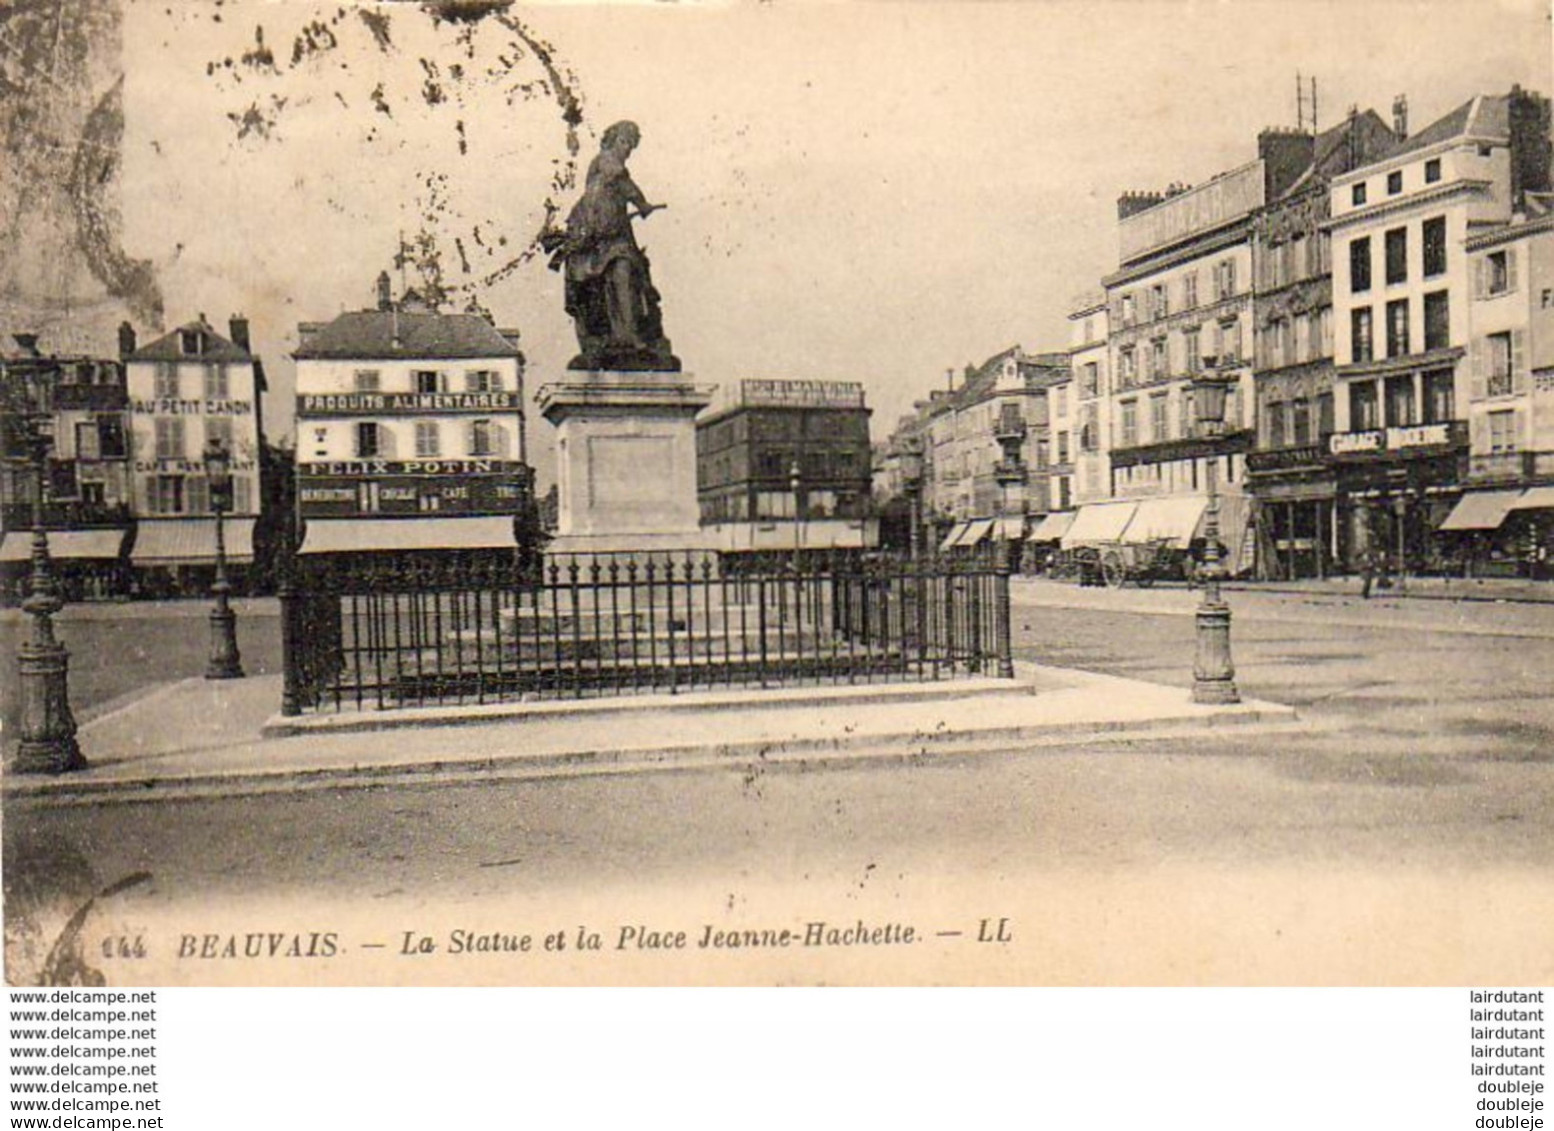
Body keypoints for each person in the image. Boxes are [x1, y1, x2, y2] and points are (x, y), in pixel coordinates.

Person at [545, 121, 678, 371]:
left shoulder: (610, 167)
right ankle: (622, 336)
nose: (628, 149)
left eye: (631, 145)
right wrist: (642, 204)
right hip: (595, 239)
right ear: (611, 140)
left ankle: (627, 336)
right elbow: (621, 180)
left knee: (627, 272)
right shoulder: (605, 160)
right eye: (624, 142)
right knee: (620, 272)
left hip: (614, 235)